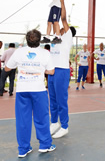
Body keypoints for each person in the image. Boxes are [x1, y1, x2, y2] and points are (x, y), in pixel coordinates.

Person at [5, 29, 56, 157]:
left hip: (23, 90)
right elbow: (51, 71)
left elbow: (6, 68)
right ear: (40, 40)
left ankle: (23, 149)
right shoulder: (45, 53)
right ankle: (45, 145)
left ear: (27, 40)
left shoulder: (19, 52)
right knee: (42, 118)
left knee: (23, 120)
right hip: (38, 90)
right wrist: (38, 69)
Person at [48, 0, 76, 139]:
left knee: (61, 100)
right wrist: (55, 4)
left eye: (64, 27)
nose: (62, 27)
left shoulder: (67, 36)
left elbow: (63, 19)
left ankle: (64, 126)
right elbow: (54, 19)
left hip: (62, 71)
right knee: (52, 99)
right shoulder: (56, 37)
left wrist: (63, 2)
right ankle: (54, 123)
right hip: (52, 71)